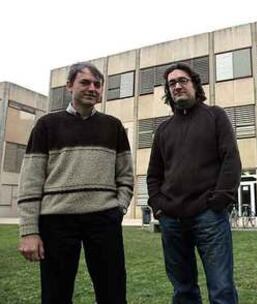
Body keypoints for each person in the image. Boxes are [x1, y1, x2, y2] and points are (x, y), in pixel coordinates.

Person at [17, 62, 134, 304]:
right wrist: (29, 230)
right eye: (85, 82)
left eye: (97, 85)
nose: (92, 88)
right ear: (69, 86)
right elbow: (31, 179)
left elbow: (125, 176)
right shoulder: (46, 125)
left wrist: (119, 207)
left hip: (103, 219)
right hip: (56, 220)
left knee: (113, 292)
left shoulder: (113, 126)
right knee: (55, 295)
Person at [147, 63, 241, 304]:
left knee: (221, 289)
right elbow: (154, 175)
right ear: (168, 91)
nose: (177, 85)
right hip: (172, 221)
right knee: (183, 290)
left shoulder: (215, 116)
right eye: (171, 83)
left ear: (195, 85)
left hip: (209, 217)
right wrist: (159, 207)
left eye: (183, 80)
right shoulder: (163, 130)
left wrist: (220, 199)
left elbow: (230, 160)